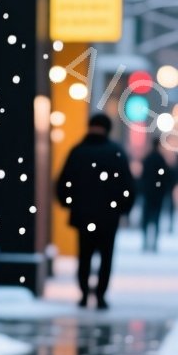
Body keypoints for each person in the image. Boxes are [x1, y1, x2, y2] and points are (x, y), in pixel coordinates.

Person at [54, 111, 135, 309]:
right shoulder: (116, 152)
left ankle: (83, 293)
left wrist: (70, 203)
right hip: (109, 216)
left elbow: (63, 183)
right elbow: (128, 185)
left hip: (83, 214)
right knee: (106, 256)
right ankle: (100, 294)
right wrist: (123, 208)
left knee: (84, 255)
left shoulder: (78, 151)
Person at [139, 133, 173, 251]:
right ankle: (154, 243)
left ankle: (145, 240)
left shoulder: (147, 159)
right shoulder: (161, 160)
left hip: (148, 192)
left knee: (146, 216)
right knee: (156, 217)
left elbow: (143, 176)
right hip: (158, 193)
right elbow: (166, 177)